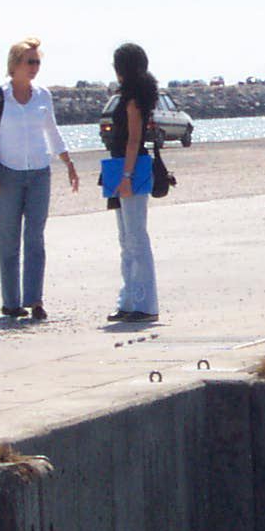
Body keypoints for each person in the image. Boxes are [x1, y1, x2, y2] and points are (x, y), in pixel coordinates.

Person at [0, 36, 78, 322]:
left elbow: (52, 131)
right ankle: (11, 302)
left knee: (35, 237)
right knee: (8, 239)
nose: (34, 67)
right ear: (15, 64)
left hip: (39, 173)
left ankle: (35, 299)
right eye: (29, 62)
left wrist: (68, 162)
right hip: (6, 173)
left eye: (37, 62)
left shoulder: (43, 96)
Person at [104, 42, 160, 323]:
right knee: (126, 239)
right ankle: (127, 300)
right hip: (119, 165)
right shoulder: (127, 96)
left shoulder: (133, 100)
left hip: (130, 167)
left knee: (136, 238)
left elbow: (134, 140)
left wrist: (126, 176)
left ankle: (145, 303)